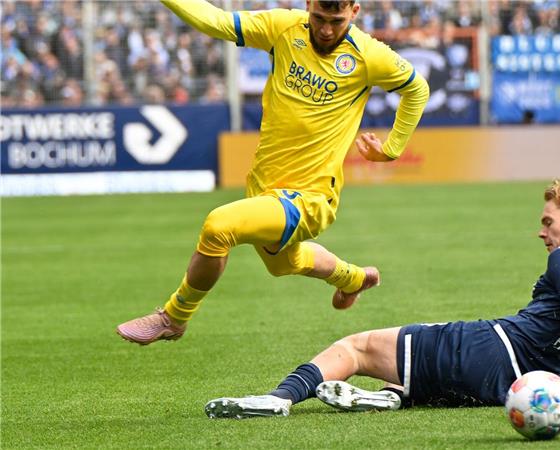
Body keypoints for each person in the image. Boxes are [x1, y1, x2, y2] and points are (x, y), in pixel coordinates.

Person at [202, 176, 560, 419]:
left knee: (355, 347)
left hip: (493, 351)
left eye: (549, 221)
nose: (543, 233)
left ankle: (276, 400)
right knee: (419, 375)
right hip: (527, 390)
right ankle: (390, 397)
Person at [116, 0, 430, 345]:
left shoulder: (369, 55)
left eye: (336, 21)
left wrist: (391, 149)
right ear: (308, 5)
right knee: (284, 263)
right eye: (319, 18)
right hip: (265, 184)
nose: (326, 30)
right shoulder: (283, 28)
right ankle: (353, 278)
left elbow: (417, 89)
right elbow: (216, 21)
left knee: (219, 227)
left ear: (354, 12)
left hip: (310, 198)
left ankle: (174, 317)